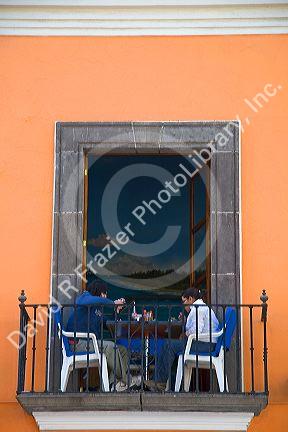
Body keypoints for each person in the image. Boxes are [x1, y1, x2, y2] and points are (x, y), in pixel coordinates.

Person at [66, 280, 140, 391]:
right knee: (110, 346)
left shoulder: (97, 310)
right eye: (104, 293)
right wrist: (112, 303)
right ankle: (127, 380)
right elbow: (84, 301)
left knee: (122, 350)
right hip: (77, 343)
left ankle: (113, 384)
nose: (105, 296)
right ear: (98, 291)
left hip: (90, 343)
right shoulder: (85, 297)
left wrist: (116, 311)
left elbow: (107, 324)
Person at [145, 287, 219, 391]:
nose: (183, 304)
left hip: (205, 346)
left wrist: (185, 333)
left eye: (184, 301)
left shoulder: (198, 309)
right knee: (168, 345)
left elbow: (196, 332)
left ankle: (160, 382)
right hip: (206, 344)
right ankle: (158, 381)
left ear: (190, 299)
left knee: (168, 345)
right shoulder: (200, 308)